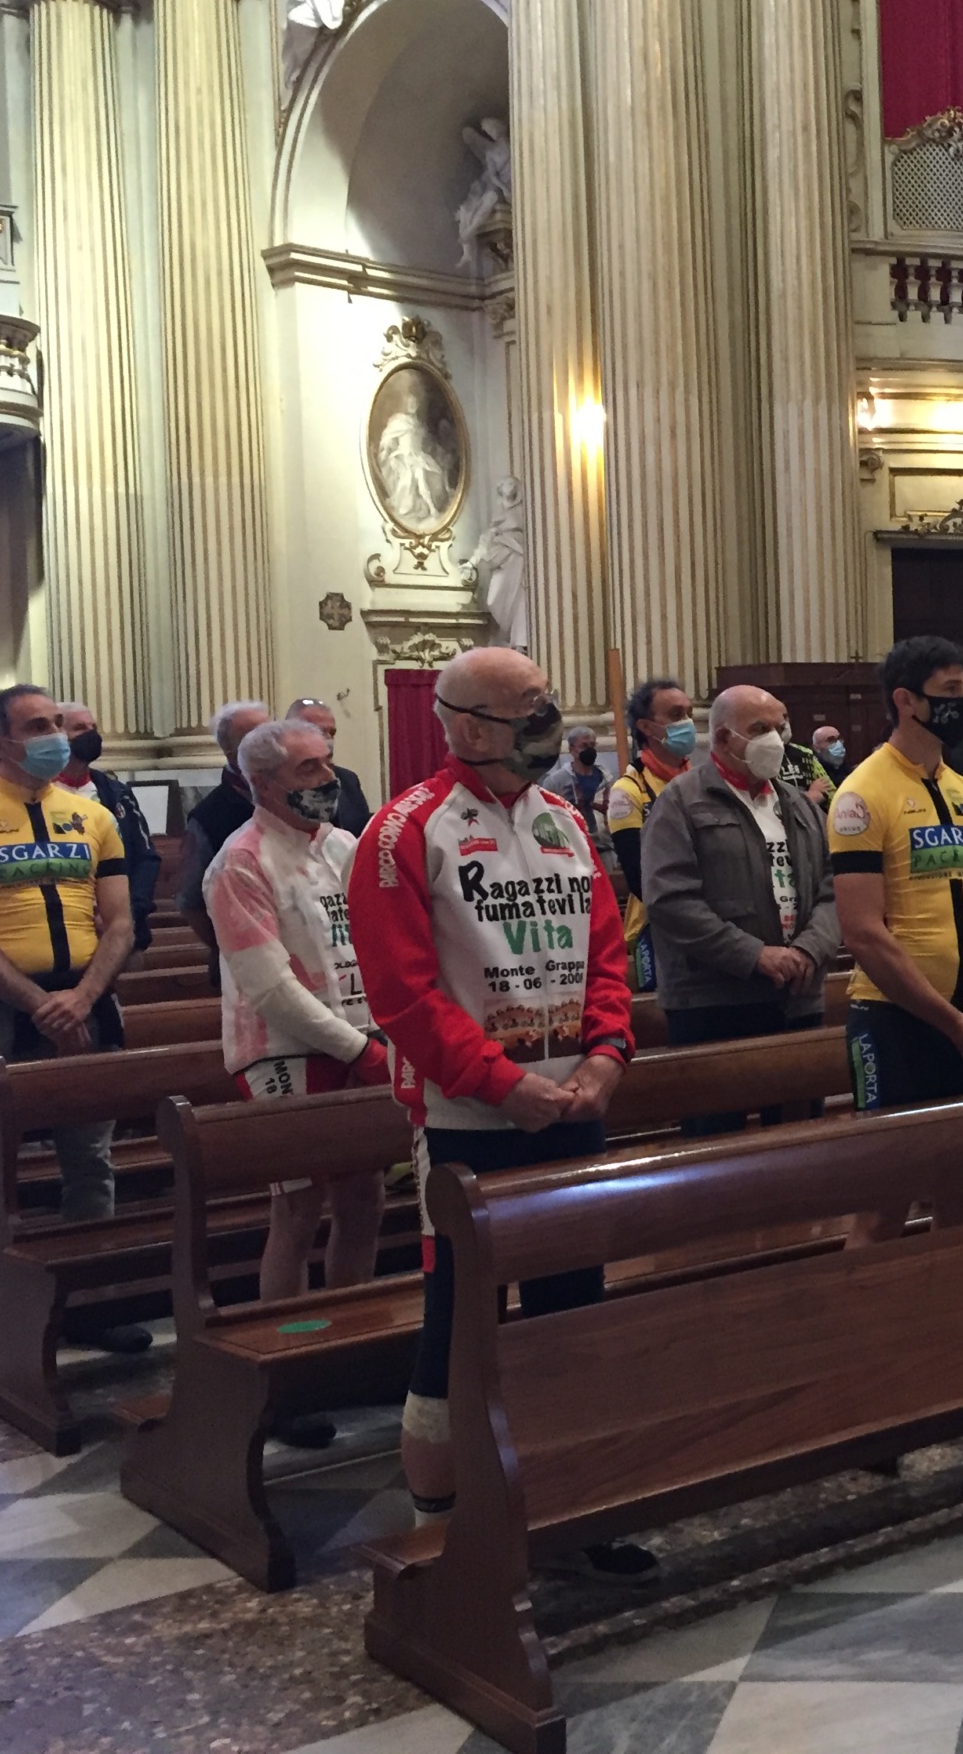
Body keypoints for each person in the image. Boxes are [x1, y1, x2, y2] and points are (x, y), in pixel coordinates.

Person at [345, 646, 648, 1580]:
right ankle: (441, 1522)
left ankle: (572, 1497)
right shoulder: (403, 832)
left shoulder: (565, 820)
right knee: (459, 1315)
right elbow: (401, 996)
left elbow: (606, 953)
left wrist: (606, 1055)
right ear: (468, 724)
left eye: (546, 701)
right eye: (528, 706)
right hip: (468, 1122)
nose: (547, 716)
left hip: (573, 1103)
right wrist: (499, 1082)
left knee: (572, 1308)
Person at [0, 684, 142, 1345]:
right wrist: (39, 1004)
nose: (57, 734)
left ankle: (87, 1297)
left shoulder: (92, 816)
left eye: (57, 722)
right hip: (0, 1013)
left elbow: (123, 921)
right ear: (0, 744)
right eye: (39, 725)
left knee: (90, 1160)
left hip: (86, 1004)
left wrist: (82, 997)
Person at [205, 717, 390, 1376]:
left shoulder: (346, 845)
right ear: (263, 782)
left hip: (362, 1034)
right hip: (283, 1050)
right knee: (297, 1206)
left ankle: (351, 1344)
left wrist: (384, 1035)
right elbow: (270, 987)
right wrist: (360, 1050)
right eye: (308, 769)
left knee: (365, 1196)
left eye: (328, 764)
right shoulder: (241, 860)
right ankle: (287, 1360)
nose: (328, 779)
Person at [640, 683, 841, 1132]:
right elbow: (670, 900)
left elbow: (833, 891)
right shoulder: (681, 802)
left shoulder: (800, 806)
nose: (775, 738)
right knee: (716, 1146)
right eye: (760, 728)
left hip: (797, 996)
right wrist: (754, 954)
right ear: (723, 739)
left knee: (799, 1137)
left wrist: (809, 949)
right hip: (714, 1001)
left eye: (779, 726)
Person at [831, 636, 963, 1110]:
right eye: (950, 690)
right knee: (897, 1173)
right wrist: (954, 1024)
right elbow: (863, 933)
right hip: (894, 1018)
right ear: (906, 700)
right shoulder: (861, 794)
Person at [607, 678, 695, 990]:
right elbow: (637, 875)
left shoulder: (702, 784)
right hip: (656, 927)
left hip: (715, 925)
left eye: (689, 713)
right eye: (675, 715)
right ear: (646, 726)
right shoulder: (629, 791)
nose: (687, 722)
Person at [54, 703, 162, 950]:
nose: (90, 734)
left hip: (123, 932)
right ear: (59, 735)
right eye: (80, 728)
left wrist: (128, 913)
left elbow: (146, 858)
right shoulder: (39, 792)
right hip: (65, 931)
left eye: (94, 727)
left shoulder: (116, 793)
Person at [178, 701, 273, 958]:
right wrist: (232, 950)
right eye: (256, 736)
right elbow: (192, 902)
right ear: (231, 752)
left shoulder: (293, 799)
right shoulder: (209, 816)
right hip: (241, 960)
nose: (271, 742)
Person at [286, 698, 374, 836]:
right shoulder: (282, 783)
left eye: (332, 733)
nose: (328, 740)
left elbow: (362, 831)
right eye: (319, 732)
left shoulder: (348, 780)